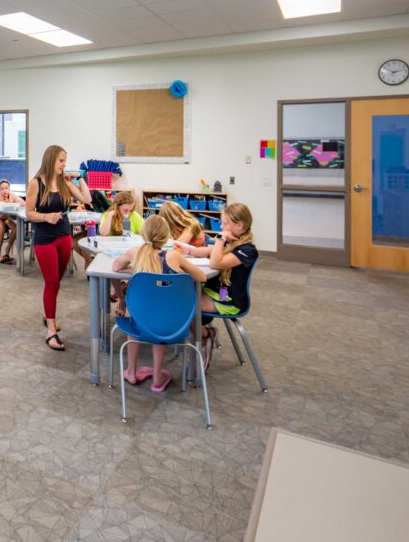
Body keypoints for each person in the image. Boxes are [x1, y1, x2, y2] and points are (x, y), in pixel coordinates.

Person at [112, 215, 205, 391]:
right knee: (160, 315)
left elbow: (115, 267)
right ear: (167, 236)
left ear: (143, 234)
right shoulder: (174, 257)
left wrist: (135, 269)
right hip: (173, 324)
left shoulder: (135, 252)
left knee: (137, 317)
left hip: (140, 322)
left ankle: (131, 371)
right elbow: (201, 277)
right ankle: (157, 376)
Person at [175, 203, 257, 371]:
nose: (221, 226)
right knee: (179, 296)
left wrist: (220, 239)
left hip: (229, 300)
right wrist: (189, 249)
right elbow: (206, 251)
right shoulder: (230, 242)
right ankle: (200, 332)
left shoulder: (247, 250)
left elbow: (216, 262)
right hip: (218, 291)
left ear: (239, 225)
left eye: (225, 222)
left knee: (182, 305)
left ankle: (205, 336)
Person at [25, 145, 91, 351]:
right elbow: (28, 213)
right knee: (51, 282)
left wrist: (80, 178)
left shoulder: (65, 182)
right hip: (44, 239)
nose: (64, 164)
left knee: (57, 281)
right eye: (61, 160)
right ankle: (51, 330)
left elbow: (87, 199)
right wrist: (45, 216)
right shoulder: (36, 183)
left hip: (64, 237)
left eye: (65, 160)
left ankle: (48, 314)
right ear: (51, 160)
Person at [0, 179, 24, 264]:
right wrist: (3, 203)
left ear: (9, 189)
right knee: (2, 227)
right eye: (2, 189)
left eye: (6, 188)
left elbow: (23, 203)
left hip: (6, 218)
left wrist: (13, 203)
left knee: (15, 228)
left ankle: (7, 250)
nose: (4, 190)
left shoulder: (12, 195)